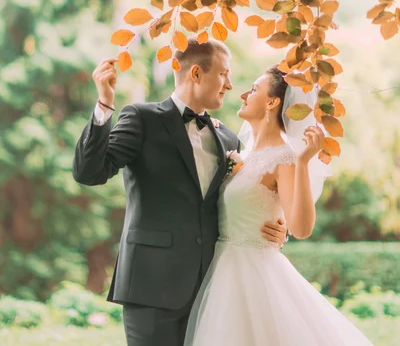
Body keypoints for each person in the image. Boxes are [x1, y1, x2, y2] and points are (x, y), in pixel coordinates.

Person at [72, 39, 287, 346]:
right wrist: (106, 103)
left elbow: (244, 198)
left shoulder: (227, 139)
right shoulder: (141, 118)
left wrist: (276, 224)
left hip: (213, 290)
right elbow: (89, 172)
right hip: (151, 286)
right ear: (196, 73)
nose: (229, 84)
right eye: (224, 74)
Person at [184, 65, 374, 346]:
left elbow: (301, 228)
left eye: (254, 89)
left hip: (253, 272)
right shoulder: (241, 154)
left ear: (272, 102)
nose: (243, 94)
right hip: (223, 267)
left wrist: (302, 161)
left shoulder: (284, 159)